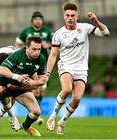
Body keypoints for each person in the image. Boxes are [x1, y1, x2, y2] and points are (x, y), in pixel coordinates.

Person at [46, 2, 110, 135]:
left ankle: (62, 122)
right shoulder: (58, 34)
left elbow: (106, 33)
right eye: (68, 15)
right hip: (66, 66)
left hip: (81, 69)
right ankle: (53, 115)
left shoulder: (85, 27)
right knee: (67, 89)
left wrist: (96, 21)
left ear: (77, 16)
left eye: (72, 15)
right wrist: (47, 74)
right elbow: (53, 55)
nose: (70, 17)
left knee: (77, 98)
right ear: (64, 16)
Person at [15, 11, 53, 124]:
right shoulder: (26, 32)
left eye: (40, 19)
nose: (38, 21)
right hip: (30, 64)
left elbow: (55, 49)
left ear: (42, 20)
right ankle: (36, 114)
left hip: (43, 64)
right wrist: (20, 53)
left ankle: (35, 111)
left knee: (41, 91)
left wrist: (48, 46)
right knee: (36, 89)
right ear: (32, 20)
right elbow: (17, 43)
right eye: (36, 19)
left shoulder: (48, 32)